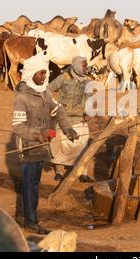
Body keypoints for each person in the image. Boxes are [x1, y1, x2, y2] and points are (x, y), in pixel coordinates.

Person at [12, 49, 79, 234]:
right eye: (41, 73)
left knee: (32, 184)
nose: (44, 76)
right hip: (28, 147)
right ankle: (31, 221)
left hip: (42, 146)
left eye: (45, 73)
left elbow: (59, 112)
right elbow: (18, 127)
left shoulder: (45, 93)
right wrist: (40, 133)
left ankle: (25, 215)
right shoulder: (22, 97)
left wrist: (68, 129)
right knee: (30, 185)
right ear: (31, 74)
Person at [47, 56, 92, 182]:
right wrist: (54, 104)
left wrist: (89, 112)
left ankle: (83, 172)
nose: (86, 68)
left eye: (86, 65)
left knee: (82, 144)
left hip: (80, 119)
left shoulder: (88, 81)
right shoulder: (64, 78)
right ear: (76, 65)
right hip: (64, 118)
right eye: (84, 65)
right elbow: (48, 89)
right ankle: (59, 171)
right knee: (59, 143)